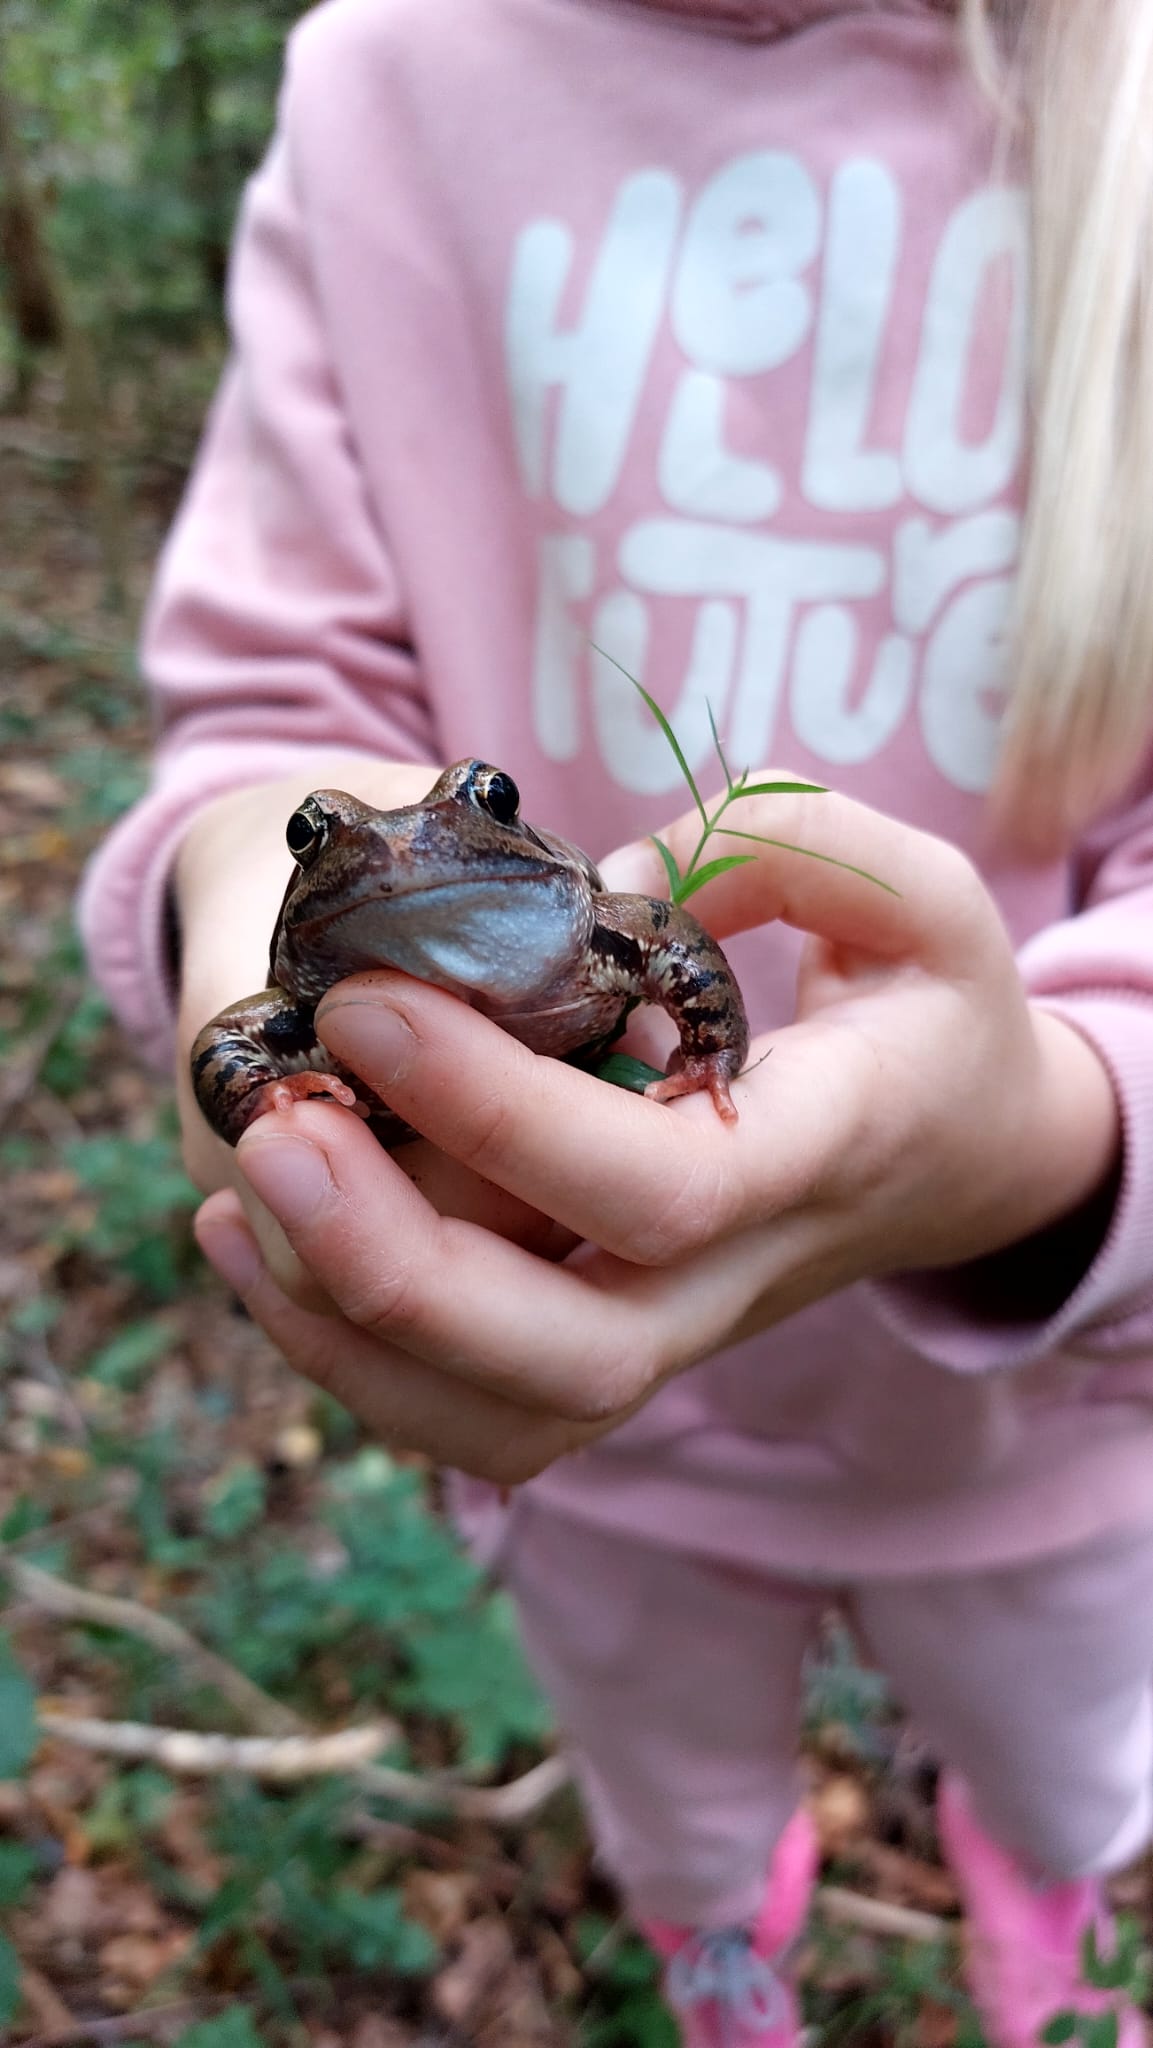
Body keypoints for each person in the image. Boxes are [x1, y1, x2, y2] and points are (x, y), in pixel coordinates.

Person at [80, 2, 1153, 2042]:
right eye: (352, 842)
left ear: (515, 837)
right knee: (674, 1789)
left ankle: (1052, 1913)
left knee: (1068, 1758)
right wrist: (254, 989)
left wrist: (1015, 1121)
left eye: (464, 815)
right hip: (600, 1467)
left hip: (1054, 1426)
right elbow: (264, 744)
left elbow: (678, 966)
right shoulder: (380, 75)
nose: (409, 838)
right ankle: (717, 1938)